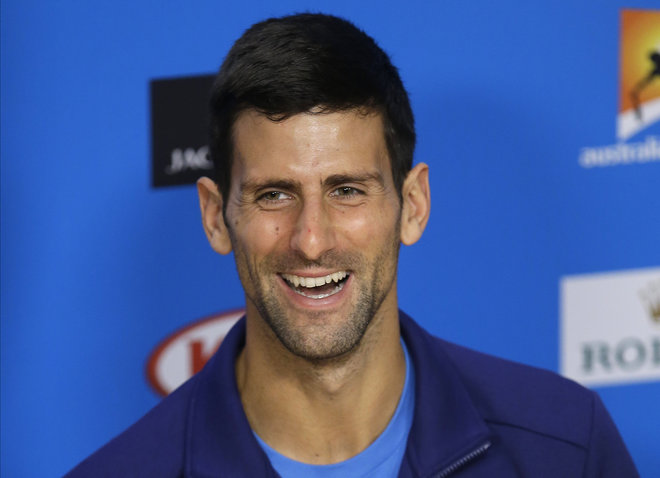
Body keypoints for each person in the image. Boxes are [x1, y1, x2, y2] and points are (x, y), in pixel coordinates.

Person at [66, 13, 639, 477]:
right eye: (273, 195)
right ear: (216, 218)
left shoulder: (565, 449)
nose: (311, 239)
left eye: (346, 190)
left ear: (412, 206)